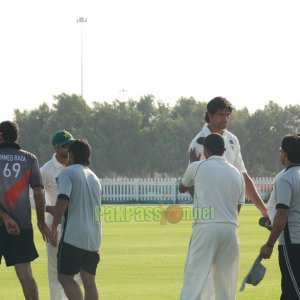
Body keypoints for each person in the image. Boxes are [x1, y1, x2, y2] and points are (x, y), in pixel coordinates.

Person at [179, 133, 245, 300]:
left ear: (206, 150)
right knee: (225, 286)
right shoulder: (237, 173)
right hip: (231, 230)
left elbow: (182, 188)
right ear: (223, 150)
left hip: (206, 228)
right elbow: (237, 207)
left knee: (194, 280)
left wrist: (193, 163)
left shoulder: (197, 166)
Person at [189, 96, 267, 217]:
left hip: (230, 210)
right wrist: (205, 210)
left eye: (228, 115)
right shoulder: (198, 143)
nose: (225, 118)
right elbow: (191, 181)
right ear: (210, 115)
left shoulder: (232, 139)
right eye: (221, 114)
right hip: (208, 212)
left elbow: (243, 176)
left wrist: (263, 209)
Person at [0, 120, 50, 300]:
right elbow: (38, 191)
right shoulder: (29, 158)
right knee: (26, 276)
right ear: (17, 137)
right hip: (22, 226)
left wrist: (4, 217)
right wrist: (41, 221)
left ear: (1, 136)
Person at [49, 139, 102, 300]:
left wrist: (54, 227)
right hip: (94, 237)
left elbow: (63, 199)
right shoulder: (95, 178)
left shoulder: (67, 172)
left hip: (73, 236)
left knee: (64, 277)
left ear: (71, 154)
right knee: (89, 281)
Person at [40, 130, 82, 300]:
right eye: (65, 146)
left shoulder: (77, 166)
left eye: (71, 145)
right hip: (55, 222)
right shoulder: (46, 169)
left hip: (75, 221)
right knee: (55, 270)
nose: (69, 149)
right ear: (56, 148)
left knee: (78, 271)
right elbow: (32, 196)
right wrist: (50, 209)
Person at [260, 134, 300, 299]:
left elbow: (282, 214)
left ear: (284, 153)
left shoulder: (285, 178)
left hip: (292, 245)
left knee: (292, 293)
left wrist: (269, 244)